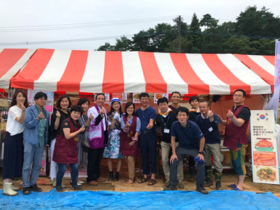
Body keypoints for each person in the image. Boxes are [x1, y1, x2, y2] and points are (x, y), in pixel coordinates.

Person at [164, 107, 208, 194]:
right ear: (177, 116)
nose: (181, 117)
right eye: (180, 115)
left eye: (184, 115)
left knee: (201, 163)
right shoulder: (174, 125)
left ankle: (200, 186)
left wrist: (200, 153)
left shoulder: (194, 126)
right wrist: (173, 153)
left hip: (194, 148)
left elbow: (202, 138)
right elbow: (173, 138)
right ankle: (173, 184)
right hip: (182, 147)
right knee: (173, 161)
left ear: (187, 116)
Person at [219, 89, 251, 191]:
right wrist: (221, 120)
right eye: (235, 95)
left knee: (239, 162)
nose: (236, 97)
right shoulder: (233, 109)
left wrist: (232, 116)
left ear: (243, 98)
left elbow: (239, 123)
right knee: (234, 162)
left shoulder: (244, 110)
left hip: (239, 140)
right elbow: (230, 123)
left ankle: (240, 184)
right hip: (231, 139)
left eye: (239, 95)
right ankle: (238, 182)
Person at [22, 92, 49, 195]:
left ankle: (33, 183)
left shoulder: (46, 112)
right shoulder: (30, 110)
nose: (43, 101)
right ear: (35, 100)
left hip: (41, 142)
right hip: (29, 140)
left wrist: (46, 142)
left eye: (44, 99)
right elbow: (27, 124)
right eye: (41, 99)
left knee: (37, 165)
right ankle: (25, 185)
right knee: (27, 164)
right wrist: (37, 119)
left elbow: (46, 128)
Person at [53, 105, 85, 192]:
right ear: (71, 113)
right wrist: (79, 131)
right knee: (62, 168)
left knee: (74, 167)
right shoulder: (66, 122)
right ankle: (58, 184)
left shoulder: (77, 123)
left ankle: (74, 184)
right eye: (74, 112)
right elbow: (67, 136)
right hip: (62, 148)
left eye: (78, 113)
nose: (76, 115)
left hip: (72, 149)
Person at [3, 90, 28, 196]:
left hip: (19, 137)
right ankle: (6, 186)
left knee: (16, 160)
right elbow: (20, 121)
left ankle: (10, 183)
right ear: (15, 98)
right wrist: (23, 112)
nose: (21, 98)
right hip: (12, 136)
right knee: (9, 160)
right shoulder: (13, 109)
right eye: (19, 96)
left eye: (23, 96)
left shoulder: (24, 109)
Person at [155, 97, 184, 188]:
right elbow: (158, 126)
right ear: (158, 106)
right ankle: (168, 178)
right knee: (164, 160)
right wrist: (158, 131)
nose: (163, 106)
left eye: (164, 104)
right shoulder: (158, 116)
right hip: (164, 141)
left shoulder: (174, 114)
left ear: (167, 104)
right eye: (161, 105)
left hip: (176, 141)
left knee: (178, 160)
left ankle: (180, 179)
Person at [196, 101, 223, 190]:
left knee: (217, 161)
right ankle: (209, 180)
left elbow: (215, 128)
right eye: (201, 107)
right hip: (204, 142)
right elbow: (198, 130)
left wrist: (211, 118)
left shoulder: (214, 116)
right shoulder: (198, 118)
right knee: (206, 161)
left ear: (208, 107)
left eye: (204, 107)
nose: (202, 109)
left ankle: (218, 182)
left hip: (214, 142)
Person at [87, 93, 110, 186]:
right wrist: (100, 115)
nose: (101, 100)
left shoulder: (103, 109)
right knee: (92, 158)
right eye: (99, 98)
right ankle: (90, 178)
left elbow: (105, 122)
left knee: (98, 158)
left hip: (102, 136)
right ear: (95, 100)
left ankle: (97, 176)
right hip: (95, 137)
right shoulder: (91, 110)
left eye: (102, 99)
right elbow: (93, 123)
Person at [48, 94, 71, 187]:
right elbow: (55, 127)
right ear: (59, 102)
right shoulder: (56, 113)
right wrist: (57, 117)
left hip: (65, 140)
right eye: (63, 101)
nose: (64, 103)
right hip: (56, 138)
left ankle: (59, 179)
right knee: (54, 159)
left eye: (66, 101)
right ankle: (53, 179)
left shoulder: (69, 113)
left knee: (62, 160)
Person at [136, 92, 157, 186]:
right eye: (142, 99)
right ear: (140, 100)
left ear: (148, 99)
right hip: (142, 136)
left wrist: (151, 124)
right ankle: (145, 175)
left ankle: (153, 176)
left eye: (146, 99)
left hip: (151, 135)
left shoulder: (152, 110)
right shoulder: (137, 111)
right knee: (143, 155)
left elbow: (152, 121)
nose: (144, 100)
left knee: (152, 155)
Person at [103, 98, 124, 181]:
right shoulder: (108, 116)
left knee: (120, 156)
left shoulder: (123, 115)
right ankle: (111, 173)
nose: (116, 105)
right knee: (109, 156)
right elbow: (110, 127)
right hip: (111, 136)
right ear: (112, 105)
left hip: (120, 136)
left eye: (117, 104)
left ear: (120, 105)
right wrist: (114, 119)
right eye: (114, 104)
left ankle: (117, 173)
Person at [120, 102, 141, 184]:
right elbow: (124, 130)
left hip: (133, 140)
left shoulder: (137, 118)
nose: (130, 109)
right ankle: (132, 176)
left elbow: (138, 130)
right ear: (125, 109)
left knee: (130, 158)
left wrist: (134, 141)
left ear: (133, 109)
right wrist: (126, 126)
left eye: (132, 108)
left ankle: (131, 177)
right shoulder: (123, 118)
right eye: (128, 108)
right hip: (125, 140)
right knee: (126, 158)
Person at [77, 98, 94, 184]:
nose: (85, 106)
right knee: (78, 159)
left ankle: (87, 178)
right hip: (79, 139)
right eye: (83, 104)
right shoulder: (78, 115)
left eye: (87, 104)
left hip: (88, 140)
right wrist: (90, 120)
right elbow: (83, 127)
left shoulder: (89, 114)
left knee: (86, 160)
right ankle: (74, 179)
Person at [187, 96, 200, 182]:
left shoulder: (202, 112)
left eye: (196, 101)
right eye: (192, 101)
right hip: (191, 137)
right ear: (190, 103)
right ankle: (192, 174)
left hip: (200, 137)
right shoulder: (188, 113)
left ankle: (201, 174)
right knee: (191, 156)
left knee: (201, 154)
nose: (194, 103)